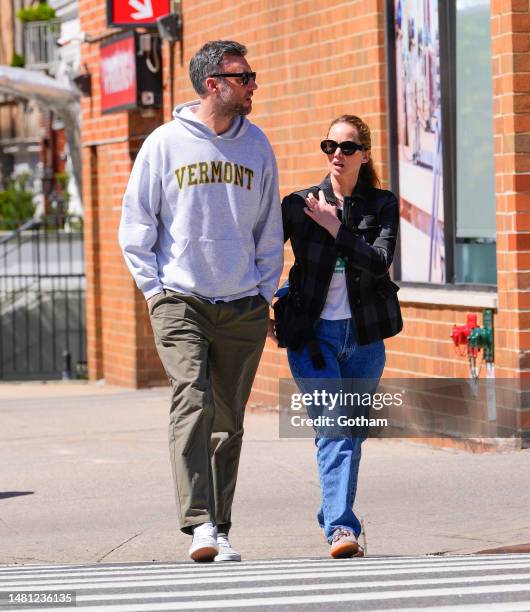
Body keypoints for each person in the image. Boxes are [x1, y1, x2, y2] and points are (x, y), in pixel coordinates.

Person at [119, 40, 283, 563]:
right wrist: (154, 290)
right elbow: (137, 224)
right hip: (179, 297)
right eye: (244, 76)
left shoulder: (256, 145)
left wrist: (262, 292)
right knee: (193, 400)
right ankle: (199, 524)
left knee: (228, 419)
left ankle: (222, 523)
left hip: (241, 303)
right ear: (214, 83)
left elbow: (266, 227)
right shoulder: (164, 144)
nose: (253, 84)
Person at [272, 114, 402, 558]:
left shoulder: (381, 204)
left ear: (364, 155)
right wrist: (263, 302)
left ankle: (332, 509)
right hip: (313, 336)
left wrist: (336, 229)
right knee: (335, 428)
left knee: (353, 433)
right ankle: (342, 529)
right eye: (331, 146)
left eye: (347, 147)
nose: (337, 155)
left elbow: (379, 260)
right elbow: (264, 254)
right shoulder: (299, 204)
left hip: (365, 338)